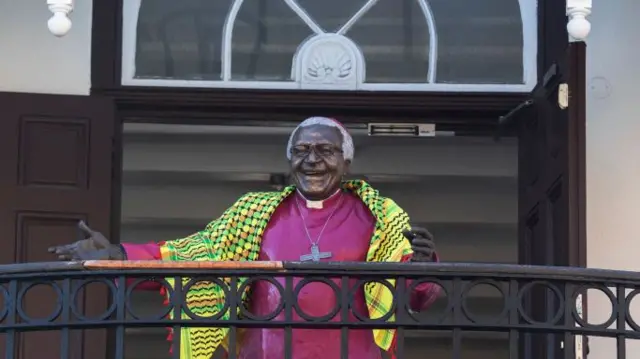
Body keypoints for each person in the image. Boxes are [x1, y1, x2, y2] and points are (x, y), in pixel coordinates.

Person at [49, 116, 441, 359]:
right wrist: (118, 254)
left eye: (326, 150)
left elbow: (415, 297)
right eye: (302, 150)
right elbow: (193, 257)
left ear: (347, 160)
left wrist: (423, 272)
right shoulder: (254, 213)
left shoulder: (380, 216)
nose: (313, 160)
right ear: (289, 160)